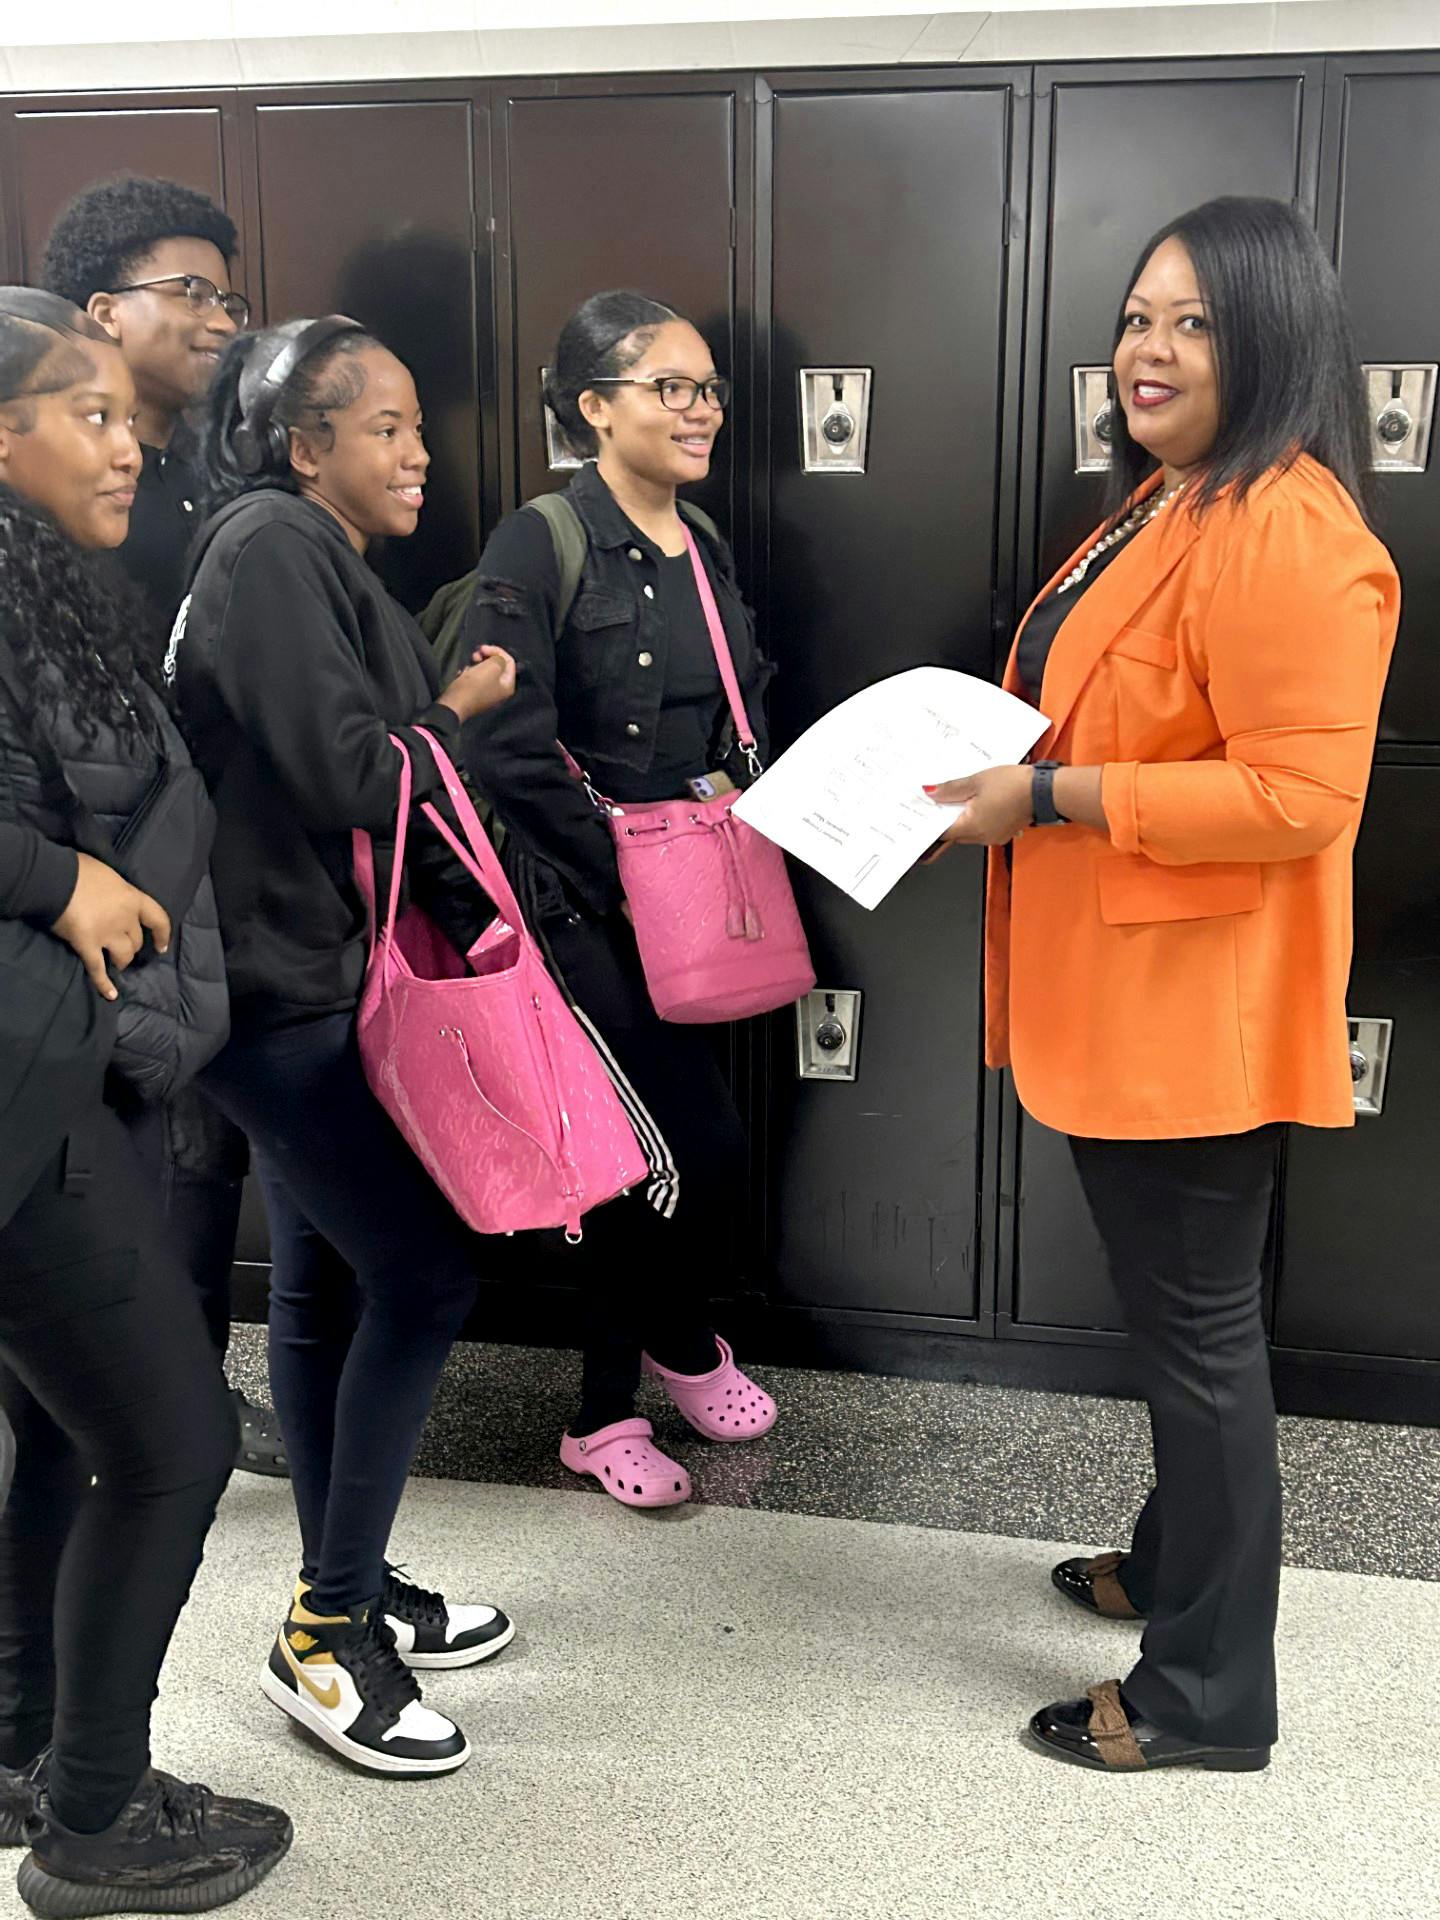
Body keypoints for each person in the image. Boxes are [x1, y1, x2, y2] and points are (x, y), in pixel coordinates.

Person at [926, 198, 1399, 1774]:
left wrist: (1054, 797)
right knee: (1184, 1328)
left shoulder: (1291, 529)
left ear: (1269, 338)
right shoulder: (1172, 502)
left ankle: (1204, 1698)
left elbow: (1298, 798)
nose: (1152, 348)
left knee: (1202, 1352)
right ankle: (1173, 1557)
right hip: (1125, 992)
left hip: (1195, 1014)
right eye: (1139, 317)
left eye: (1195, 322)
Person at [177, 315, 518, 1776]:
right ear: (305, 445)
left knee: (323, 1290)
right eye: (387, 427)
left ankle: (355, 1580)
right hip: (272, 995)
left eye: (418, 426)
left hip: (308, 976)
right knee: (426, 1273)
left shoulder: (313, 553)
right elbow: (349, 774)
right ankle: (325, 1633)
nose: (419, 452)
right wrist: (458, 709)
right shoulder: (272, 546)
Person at [0, 287, 290, 1913]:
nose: (128, 444)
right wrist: (59, 882)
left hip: (70, 1067)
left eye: (129, 416)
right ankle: (96, 1826)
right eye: (89, 414)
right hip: (24, 1088)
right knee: (175, 1446)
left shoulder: (45, 581)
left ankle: (23, 1749)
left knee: (68, 1430)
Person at [458, 291, 779, 1510]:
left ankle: (682, 1341)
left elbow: (740, 712)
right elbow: (501, 740)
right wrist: (618, 881)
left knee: (699, 1151)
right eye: (670, 387)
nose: (702, 411)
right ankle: (602, 1414)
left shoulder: (704, 542)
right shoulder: (538, 541)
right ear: (594, 407)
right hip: (583, 902)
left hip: (700, 889)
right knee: (647, 1155)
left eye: (709, 390)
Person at [40, 173, 285, 1475]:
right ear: (101, 310)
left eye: (229, 300)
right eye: (190, 292)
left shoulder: (197, 475)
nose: (219, 321)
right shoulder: (53, 500)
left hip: (206, 881)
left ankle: (181, 1396)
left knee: (202, 1151)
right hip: (90, 898)